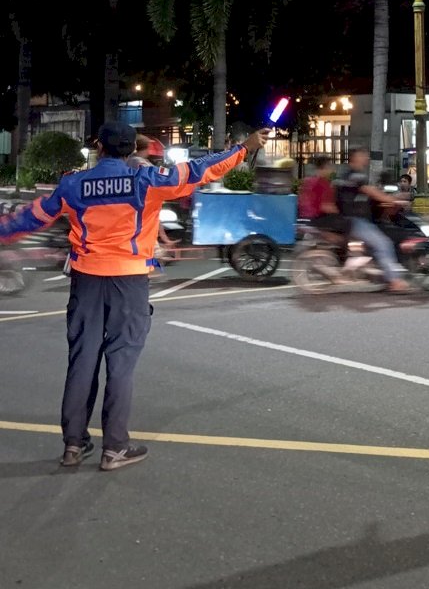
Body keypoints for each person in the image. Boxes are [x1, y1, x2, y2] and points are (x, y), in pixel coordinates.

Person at [0, 122, 268, 471]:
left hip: (86, 281)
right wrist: (243, 149)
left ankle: (73, 444)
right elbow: (199, 171)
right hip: (129, 282)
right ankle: (115, 448)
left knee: (82, 361)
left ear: (99, 146)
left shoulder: (73, 184)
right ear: (131, 149)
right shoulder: (147, 181)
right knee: (121, 362)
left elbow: (31, 217)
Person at [336, 148, 409, 292]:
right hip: (354, 221)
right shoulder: (355, 175)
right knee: (384, 244)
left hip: (350, 219)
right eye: (363, 155)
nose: (366, 158)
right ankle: (395, 281)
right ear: (354, 158)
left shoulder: (346, 174)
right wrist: (393, 200)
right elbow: (371, 191)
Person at [128, 134, 176, 253]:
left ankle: (162, 243)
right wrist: (171, 172)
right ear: (143, 149)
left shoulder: (128, 161)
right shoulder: (138, 162)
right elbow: (157, 172)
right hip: (142, 202)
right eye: (148, 148)